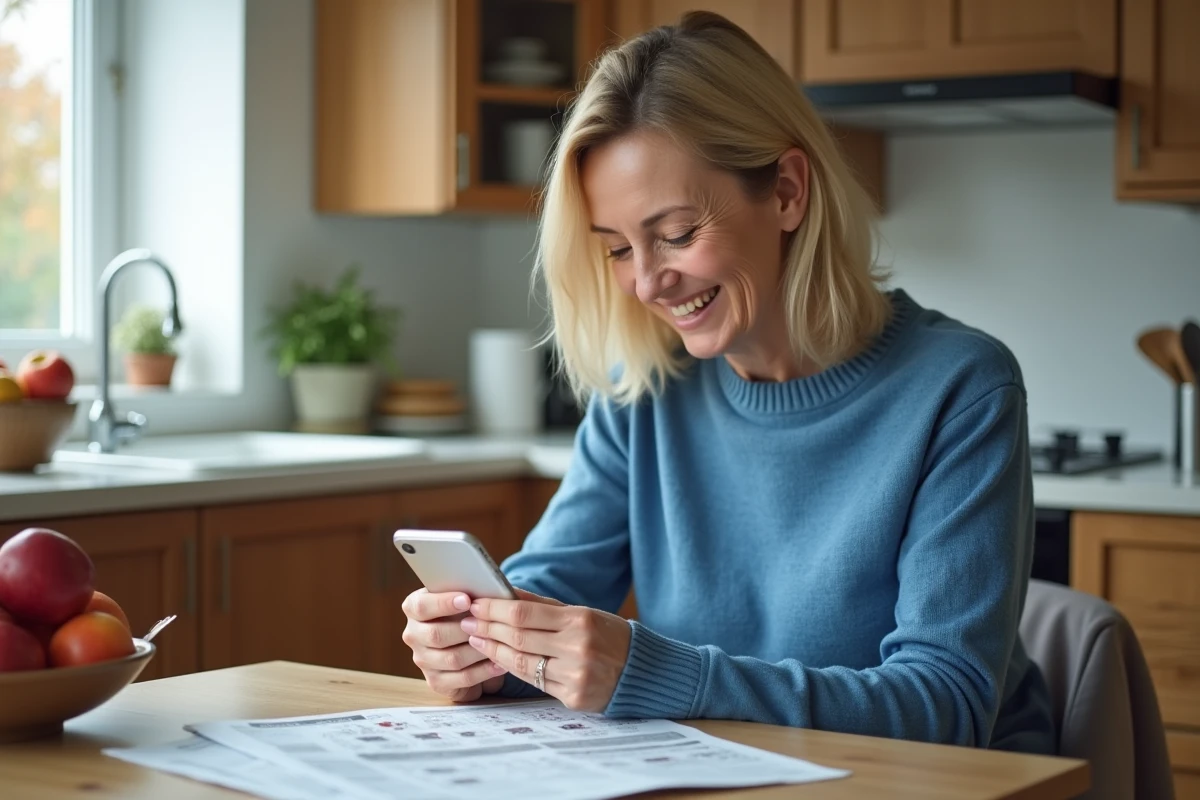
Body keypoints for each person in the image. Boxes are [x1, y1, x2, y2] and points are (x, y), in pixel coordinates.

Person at [401, 12, 1056, 754]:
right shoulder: (644, 388)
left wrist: (663, 674)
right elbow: (552, 596)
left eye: (677, 234)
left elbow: (948, 706)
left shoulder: (960, 387)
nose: (647, 281)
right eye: (617, 249)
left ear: (785, 192)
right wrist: (481, 647)